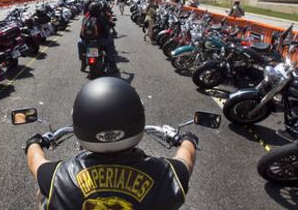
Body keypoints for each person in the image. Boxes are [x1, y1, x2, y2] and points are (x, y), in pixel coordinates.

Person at [26, 77, 198, 209]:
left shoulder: (57, 177)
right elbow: (186, 159)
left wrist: (35, 142)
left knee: (43, 193)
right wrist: (188, 139)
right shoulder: (168, 175)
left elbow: (36, 161)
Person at [78, 1, 118, 73]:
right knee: (110, 42)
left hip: (87, 42)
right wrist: (111, 24)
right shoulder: (101, 19)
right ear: (99, 10)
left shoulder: (85, 18)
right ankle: (112, 65)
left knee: (79, 42)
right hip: (100, 42)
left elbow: (81, 34)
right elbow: (107, 29)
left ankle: (82, 62)